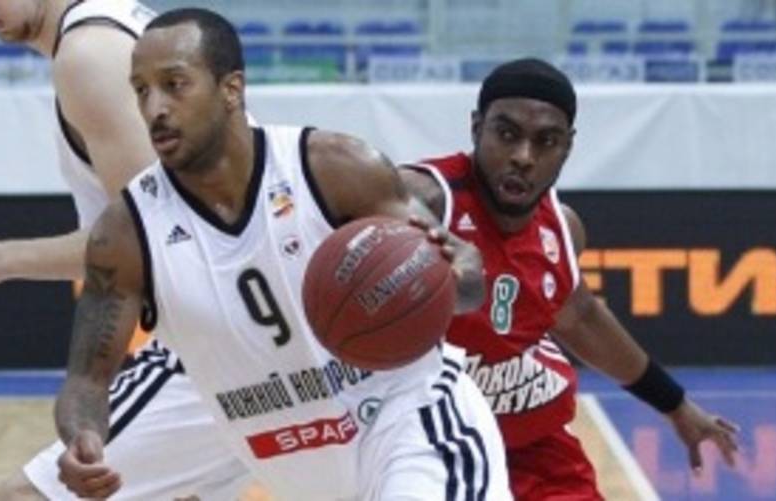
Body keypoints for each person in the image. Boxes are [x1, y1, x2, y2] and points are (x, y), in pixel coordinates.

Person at [53, 7, 512, 501]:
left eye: (174, 84)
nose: (154, 108)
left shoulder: (334, 168)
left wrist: (459, 269)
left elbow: (465, 282)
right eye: (141, 90)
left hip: (416, 429)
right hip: (307, 477)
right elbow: (86, 381)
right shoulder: (126, 232)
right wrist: (84, 436)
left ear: (231, 89)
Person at [400, 58, 740, 500]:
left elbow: (580, 318)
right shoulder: (421, 201)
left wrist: (674, 404)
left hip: (535, 450)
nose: (524, 157)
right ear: (476, 128)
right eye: (507, 134)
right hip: (431, 446)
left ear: (567, 147)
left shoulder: (563, 228)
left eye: (546, 141)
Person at [0, 1, 251, 499]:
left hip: (225, 335)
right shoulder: (117, 25)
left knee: (26, 497)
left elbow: (153, 232)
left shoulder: (89, 54)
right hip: (261, 309)